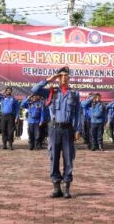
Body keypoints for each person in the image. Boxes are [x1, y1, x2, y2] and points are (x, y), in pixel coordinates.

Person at [32, 67, 81, 199]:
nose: (63, 78)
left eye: (66, 76)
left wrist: (78, 130)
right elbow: (34, 90)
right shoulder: (51, 92)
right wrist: (49, 79)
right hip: (54, 129)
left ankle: (66, 187)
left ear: (69, 78)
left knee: (69, 158)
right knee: (53, 157)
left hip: (68, 129)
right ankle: (56, 187)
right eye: (61, 76)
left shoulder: (74, 94)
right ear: (58, 78)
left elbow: (77, 113)